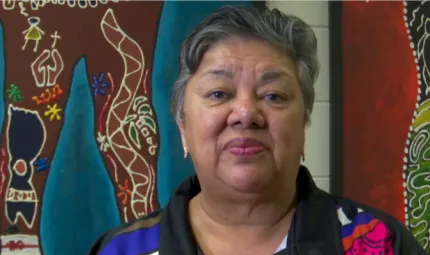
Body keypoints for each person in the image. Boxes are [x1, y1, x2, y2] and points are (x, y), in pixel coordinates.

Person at [88, 6, 427, 255]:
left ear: (304, 124)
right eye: (219, 93)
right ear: (183, 126)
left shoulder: (379, 243)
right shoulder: (121, 250)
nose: (246, 113)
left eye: (273, 96)